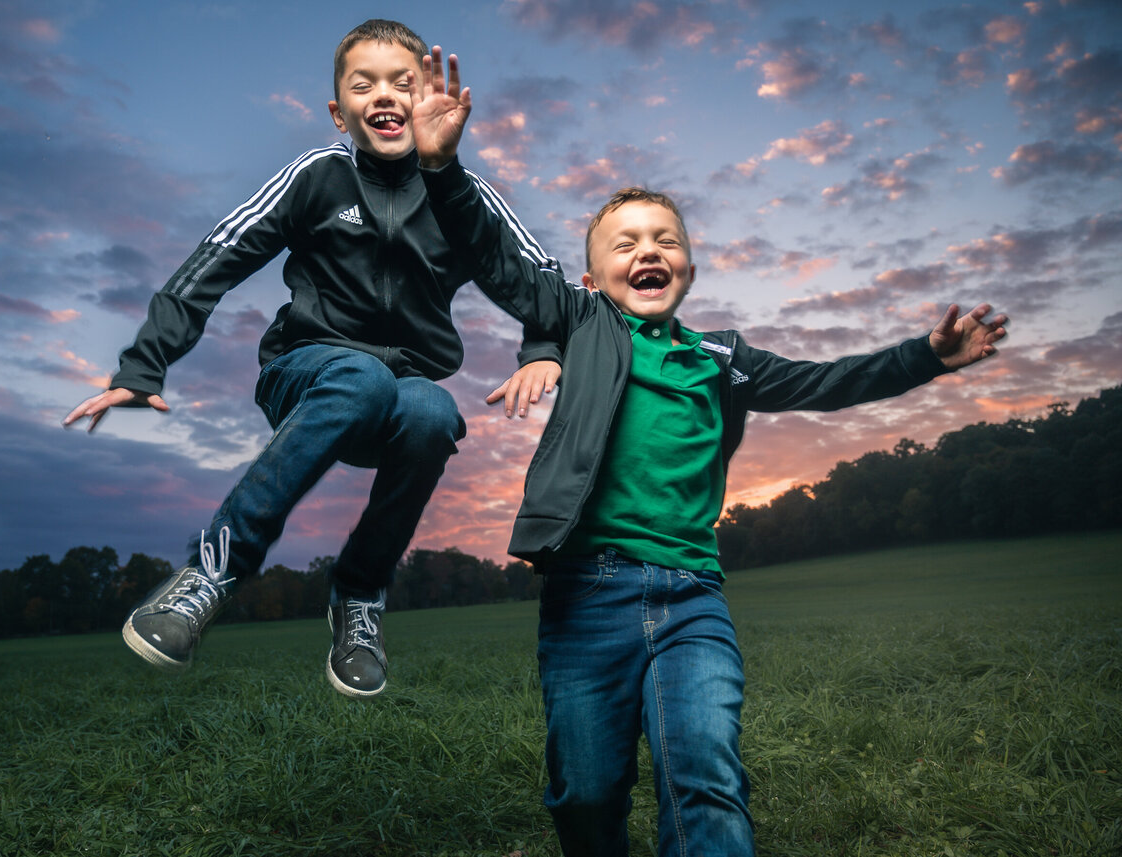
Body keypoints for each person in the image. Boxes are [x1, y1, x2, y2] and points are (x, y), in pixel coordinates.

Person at [409, 49, 1009, 855]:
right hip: (587, 594)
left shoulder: (724, 358)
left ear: (689, 265)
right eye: (623, 243)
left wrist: (927, 356)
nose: (646, 251)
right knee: (585, 792)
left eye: (664, 238)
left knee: (707, 776)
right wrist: (443, 168)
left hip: (694, 597)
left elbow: (829, 379)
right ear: (590, 277)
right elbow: (493, 257)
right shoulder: (581, 325)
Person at [62, 20, 560, 699]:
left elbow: (538, 278)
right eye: (365, 84)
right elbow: (218, 256)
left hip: (401, 391)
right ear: (338, 113)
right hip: (305, 370)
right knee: (359, 376)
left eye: (402, 83)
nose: (384, 95)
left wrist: (542, 349)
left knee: (433, 411)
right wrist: (144, 364)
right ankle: (211, 571)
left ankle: (358, 601)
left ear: (430, 100)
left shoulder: (459, 194)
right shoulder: (315, 176)